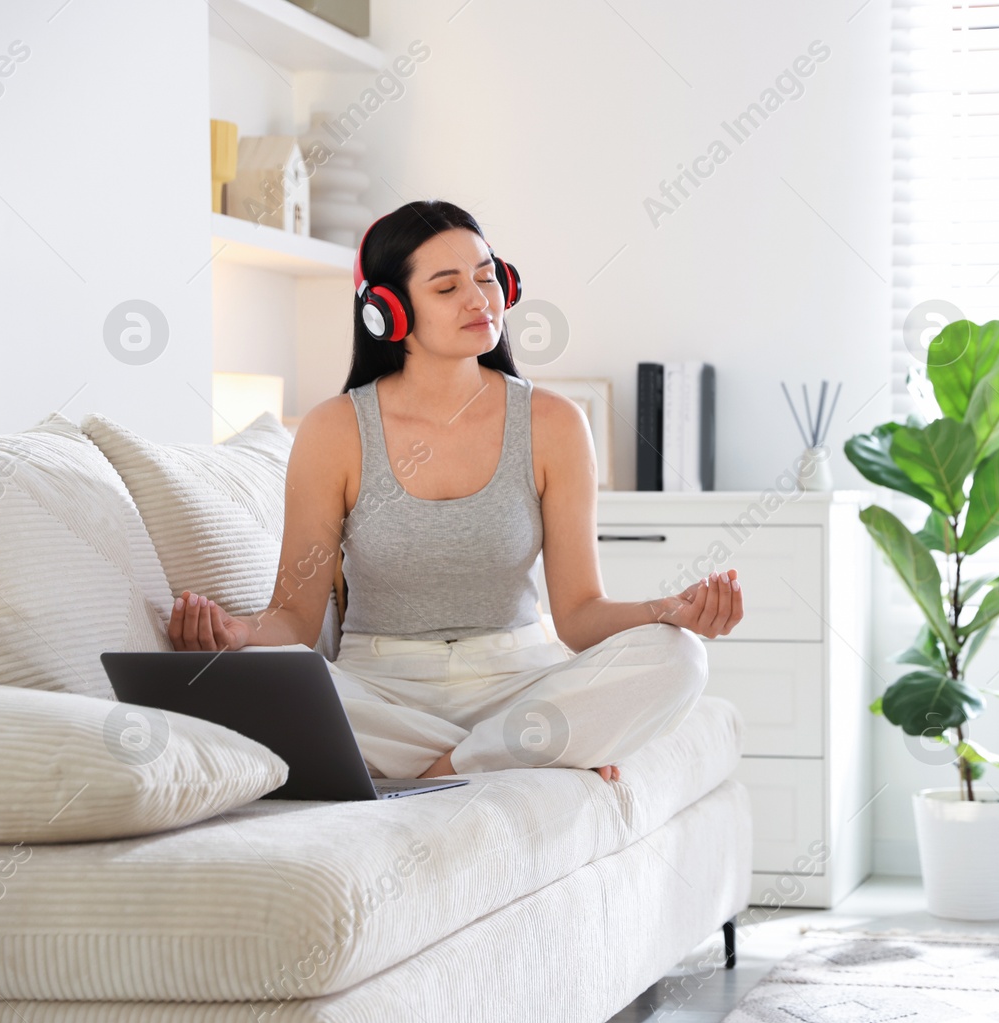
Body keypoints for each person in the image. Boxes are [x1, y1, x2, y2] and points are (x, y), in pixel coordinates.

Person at [168, 199, 743, 783]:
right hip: (384, 694)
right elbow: (294, 619)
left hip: (519, 681)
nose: (479, 299)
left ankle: (447, 767)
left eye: (487, 277)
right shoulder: (333, 431)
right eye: (447, 288)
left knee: (678, 656)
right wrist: (238, 634)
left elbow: (577, 615)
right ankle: (514, 753)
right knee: (238, 682)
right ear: (387, 312)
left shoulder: (554, 424)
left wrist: (667, 612)